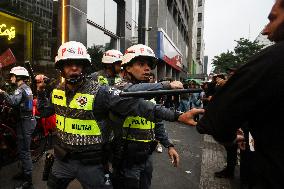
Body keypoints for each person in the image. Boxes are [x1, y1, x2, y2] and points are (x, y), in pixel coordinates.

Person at [36, 41, 203, 189]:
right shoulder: (56, 90)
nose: (74, 68)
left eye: (78, 64)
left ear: (84, 67)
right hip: (62, 160)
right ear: (61, 67)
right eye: (68, 64)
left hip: (91, 164)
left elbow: (143, 107)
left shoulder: (99, 92)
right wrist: (41, 92)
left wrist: (176, 116)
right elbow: (44, 111)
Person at [196, 0, 284, 188]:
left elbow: (216, 120)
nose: (266, 30)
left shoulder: (274, 59)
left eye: (273, 19)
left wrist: (230, 136)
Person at [111, 44, 182, 189]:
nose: (148, 68)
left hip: (146, 156)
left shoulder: (147, 90)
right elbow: (129, 90)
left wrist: (169, 145)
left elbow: (157, 121)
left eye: (149, 65)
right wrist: (165, 85)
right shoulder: (118, 89)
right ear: (128, 67)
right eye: (141, 64)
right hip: (126, 160)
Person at [0, 66, 36, 189]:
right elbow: (27, 105)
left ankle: (28, 181)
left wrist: (3, 92)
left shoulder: (20, 89)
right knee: (22, 150)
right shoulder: (27, 88)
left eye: (13, 76)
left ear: (19, 77)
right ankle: (24, 173)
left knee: (24, 152)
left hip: (25, 123)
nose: (11, 78)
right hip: (28, 120)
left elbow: (14, 101)